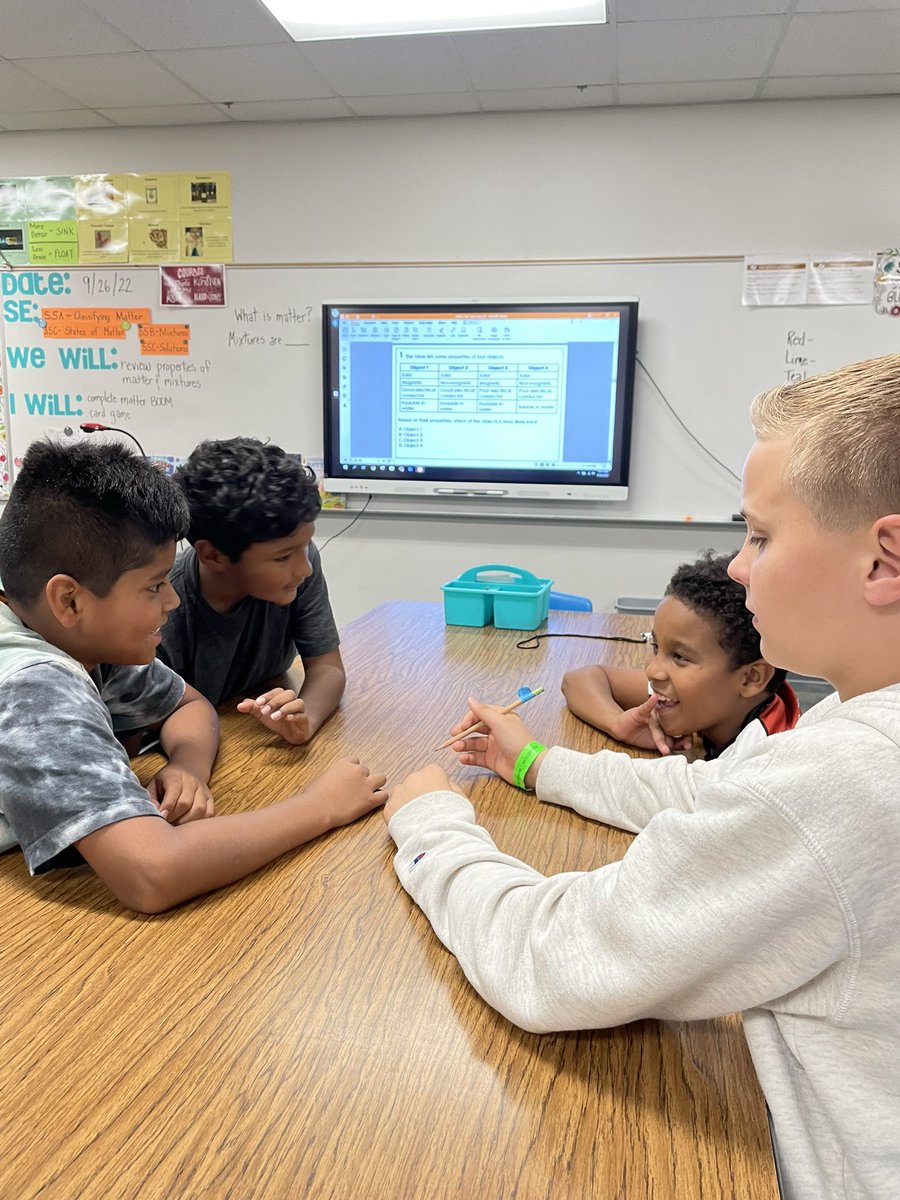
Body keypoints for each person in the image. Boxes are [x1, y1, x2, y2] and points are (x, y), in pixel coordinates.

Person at [383, 355, 900, 1199]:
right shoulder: (857, 718)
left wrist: (432, 825)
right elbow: (712, 793)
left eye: (762, 536)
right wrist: (531, 762)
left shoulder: (846, 777)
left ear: (885, 561)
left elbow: (556, 961)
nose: (738, 566)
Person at [0, 439, 386, 915]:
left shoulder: (87, 640)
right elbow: (152, 874)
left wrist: (187, 767)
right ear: (69, 600)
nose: (173, 600)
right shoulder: (33, 685)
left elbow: (189, 704)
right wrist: (320, 806)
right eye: (155, 587)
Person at [159, 437, 345, 746]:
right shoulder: (163, 609)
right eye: (283, 557)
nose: (305, 568)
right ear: (213, 555)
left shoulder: (299, 565)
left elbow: (327, 668)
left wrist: (306, 719)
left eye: (305, 545)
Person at [561, 550, 799, 759]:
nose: (652, 670)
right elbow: (580, 679)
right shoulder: (728, 701)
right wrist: (617, 723)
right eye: (656, 646)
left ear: (750, 678)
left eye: (680, 657)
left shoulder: (759, 763)